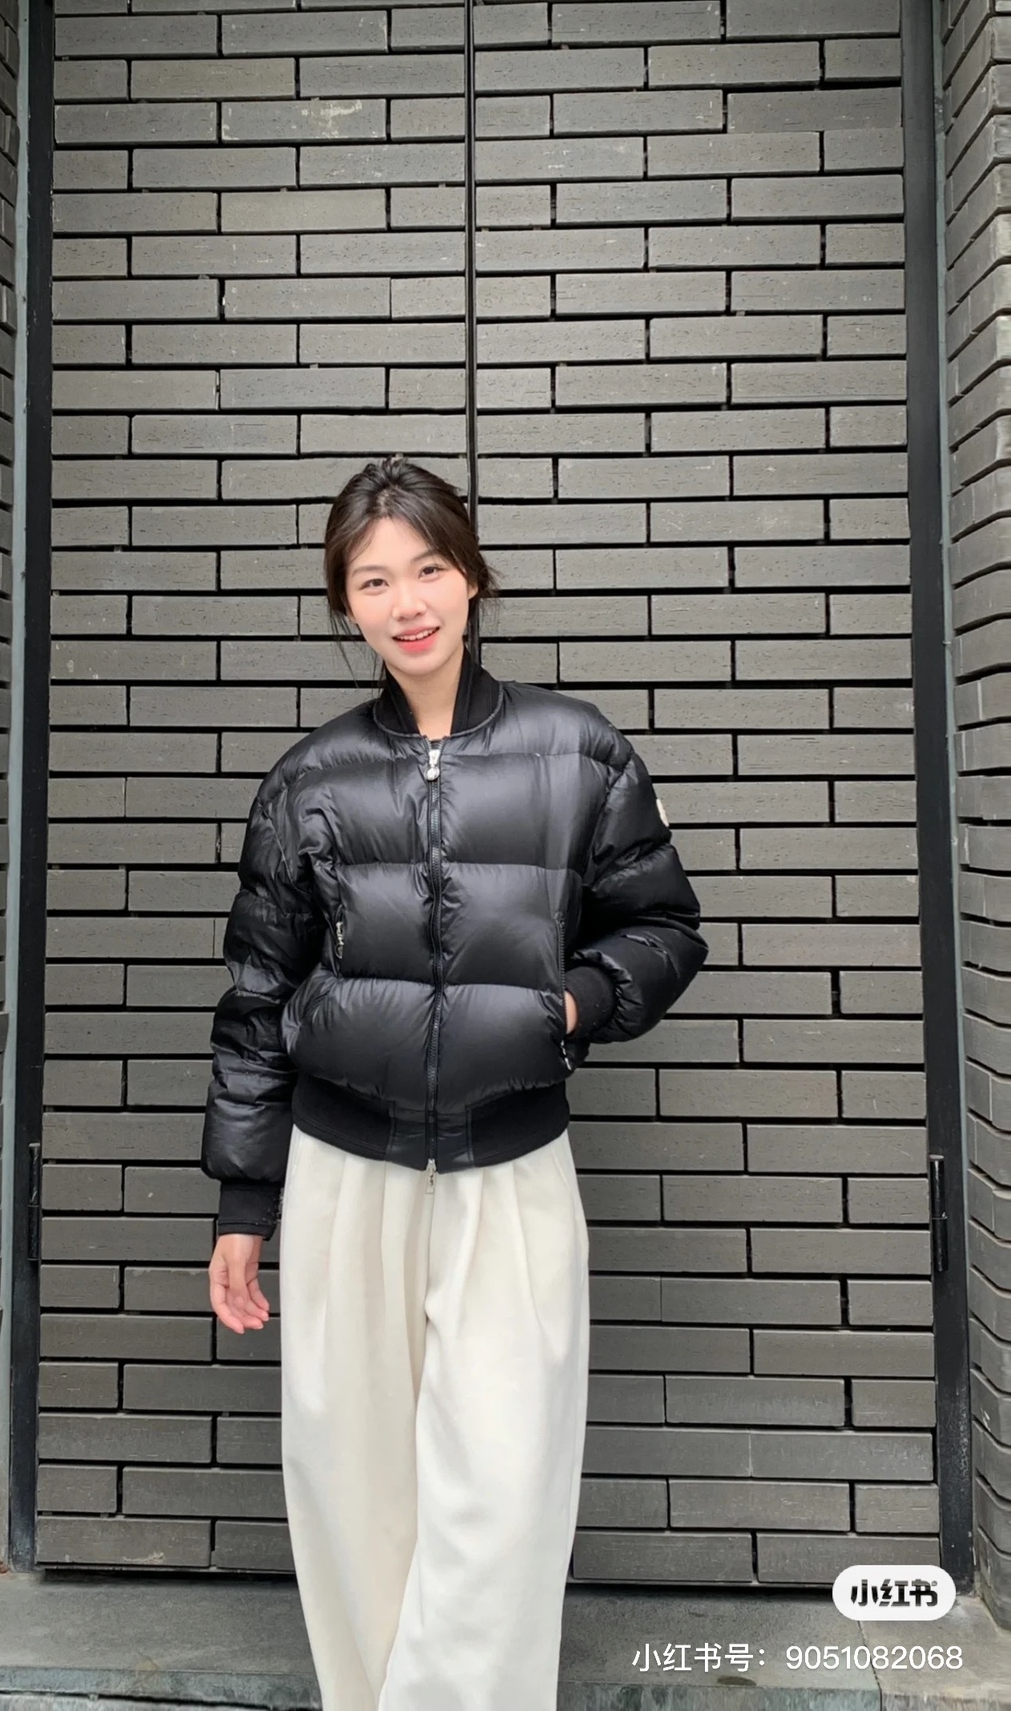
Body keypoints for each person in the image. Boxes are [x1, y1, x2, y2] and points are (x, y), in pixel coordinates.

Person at [201, 455, 707, 1711]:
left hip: (510, 1174)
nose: (406, 602)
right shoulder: (310, 780)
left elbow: (662, 927)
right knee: (353, 1490)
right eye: (373, 581)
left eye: (427, 568)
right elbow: (256, 999)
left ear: (472, 577)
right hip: (342, 1173)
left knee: (502, 1492)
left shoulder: (576, 751)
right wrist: (244, 1206)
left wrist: (570, 1004)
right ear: (345, 605)